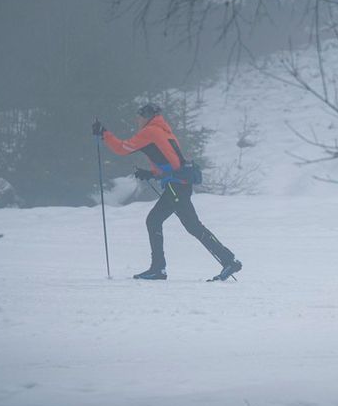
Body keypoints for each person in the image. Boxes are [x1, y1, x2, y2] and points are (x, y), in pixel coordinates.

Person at [92, 102, 243, 281]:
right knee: (155, 220)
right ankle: (159, 268)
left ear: (147, 116)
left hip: (176, 186)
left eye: (139, 116)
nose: (137, 119)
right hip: (179, 184)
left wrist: (104, 133)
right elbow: (171, 161)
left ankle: (228, 260)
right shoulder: (163, 130)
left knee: (191, 226)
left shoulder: (150, 132)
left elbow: (122, 148)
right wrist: (152, 173)